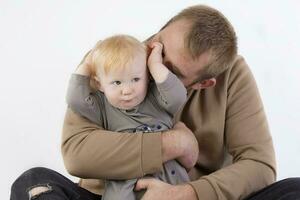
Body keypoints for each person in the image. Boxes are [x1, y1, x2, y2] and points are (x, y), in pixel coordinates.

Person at [10, 4, 300, 200]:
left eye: (171, 70)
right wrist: (173, 144)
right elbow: (76, 153)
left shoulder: (232, 74)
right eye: (158, 45)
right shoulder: (116, 58)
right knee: (33, 182)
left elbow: (260, 166)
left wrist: (186, 194)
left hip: (187, 194)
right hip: (110, 194)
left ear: (203, 83)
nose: (153, 64)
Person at [66, 34, 190, 200]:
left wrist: (155, 64)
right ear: (99, 84)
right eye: (117, 83)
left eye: (136, 79)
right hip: (125, 188)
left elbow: (178, 96)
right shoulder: (102, 106)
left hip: (170, 180)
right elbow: (75, 99)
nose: (127, 90)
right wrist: (87, 64)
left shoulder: (155, 98)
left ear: (147, 77)